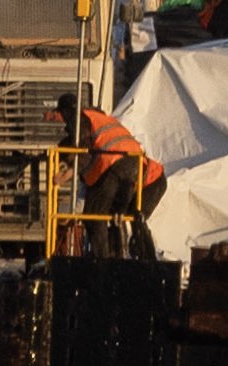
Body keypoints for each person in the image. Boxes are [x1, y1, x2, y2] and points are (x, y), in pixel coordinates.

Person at [54, 93, 167, 259]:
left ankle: (104, 261)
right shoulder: (97, 117)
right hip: (132, 163)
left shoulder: (79, 121)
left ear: (65, 111)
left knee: (95, 214)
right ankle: (120, 255)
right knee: (116, 214)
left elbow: (84, 153)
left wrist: (65, 176)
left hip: (117, 164)